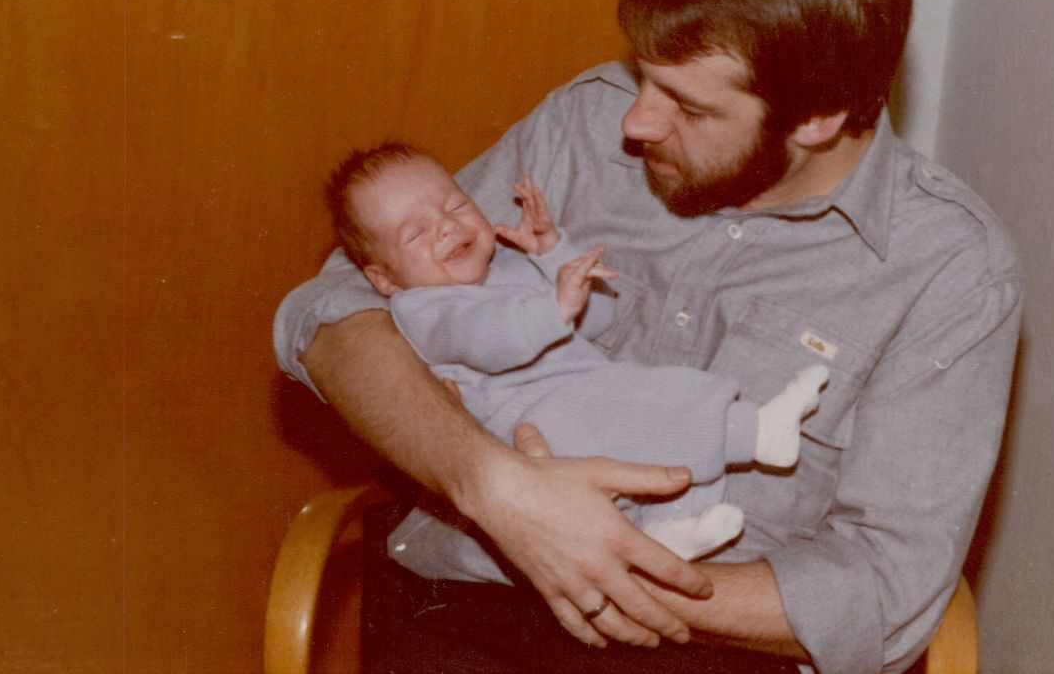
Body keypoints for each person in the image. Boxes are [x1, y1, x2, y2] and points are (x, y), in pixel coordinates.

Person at [274, 0, 1022, 674]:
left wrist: (606, 561)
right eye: (643, 74)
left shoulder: (947, 268)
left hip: (705, 640)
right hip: (470, 598)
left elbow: (884, 589)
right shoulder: (585, 121)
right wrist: (498, 488)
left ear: (818, 117)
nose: (633, 121)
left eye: (690, 106)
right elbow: (332, 308)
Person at [327, 141, 831, 570]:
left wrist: (552, 253)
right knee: (643, 408)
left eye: (455, 205)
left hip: (579, 397)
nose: (444, 226)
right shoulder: (423, 308)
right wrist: (553, 307)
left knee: (659, 406)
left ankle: (665, 533)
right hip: (528, 423)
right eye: (415, 233)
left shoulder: (509, 265)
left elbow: (598, 319)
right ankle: (758, 431)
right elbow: (488, 338)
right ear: (384, 279)